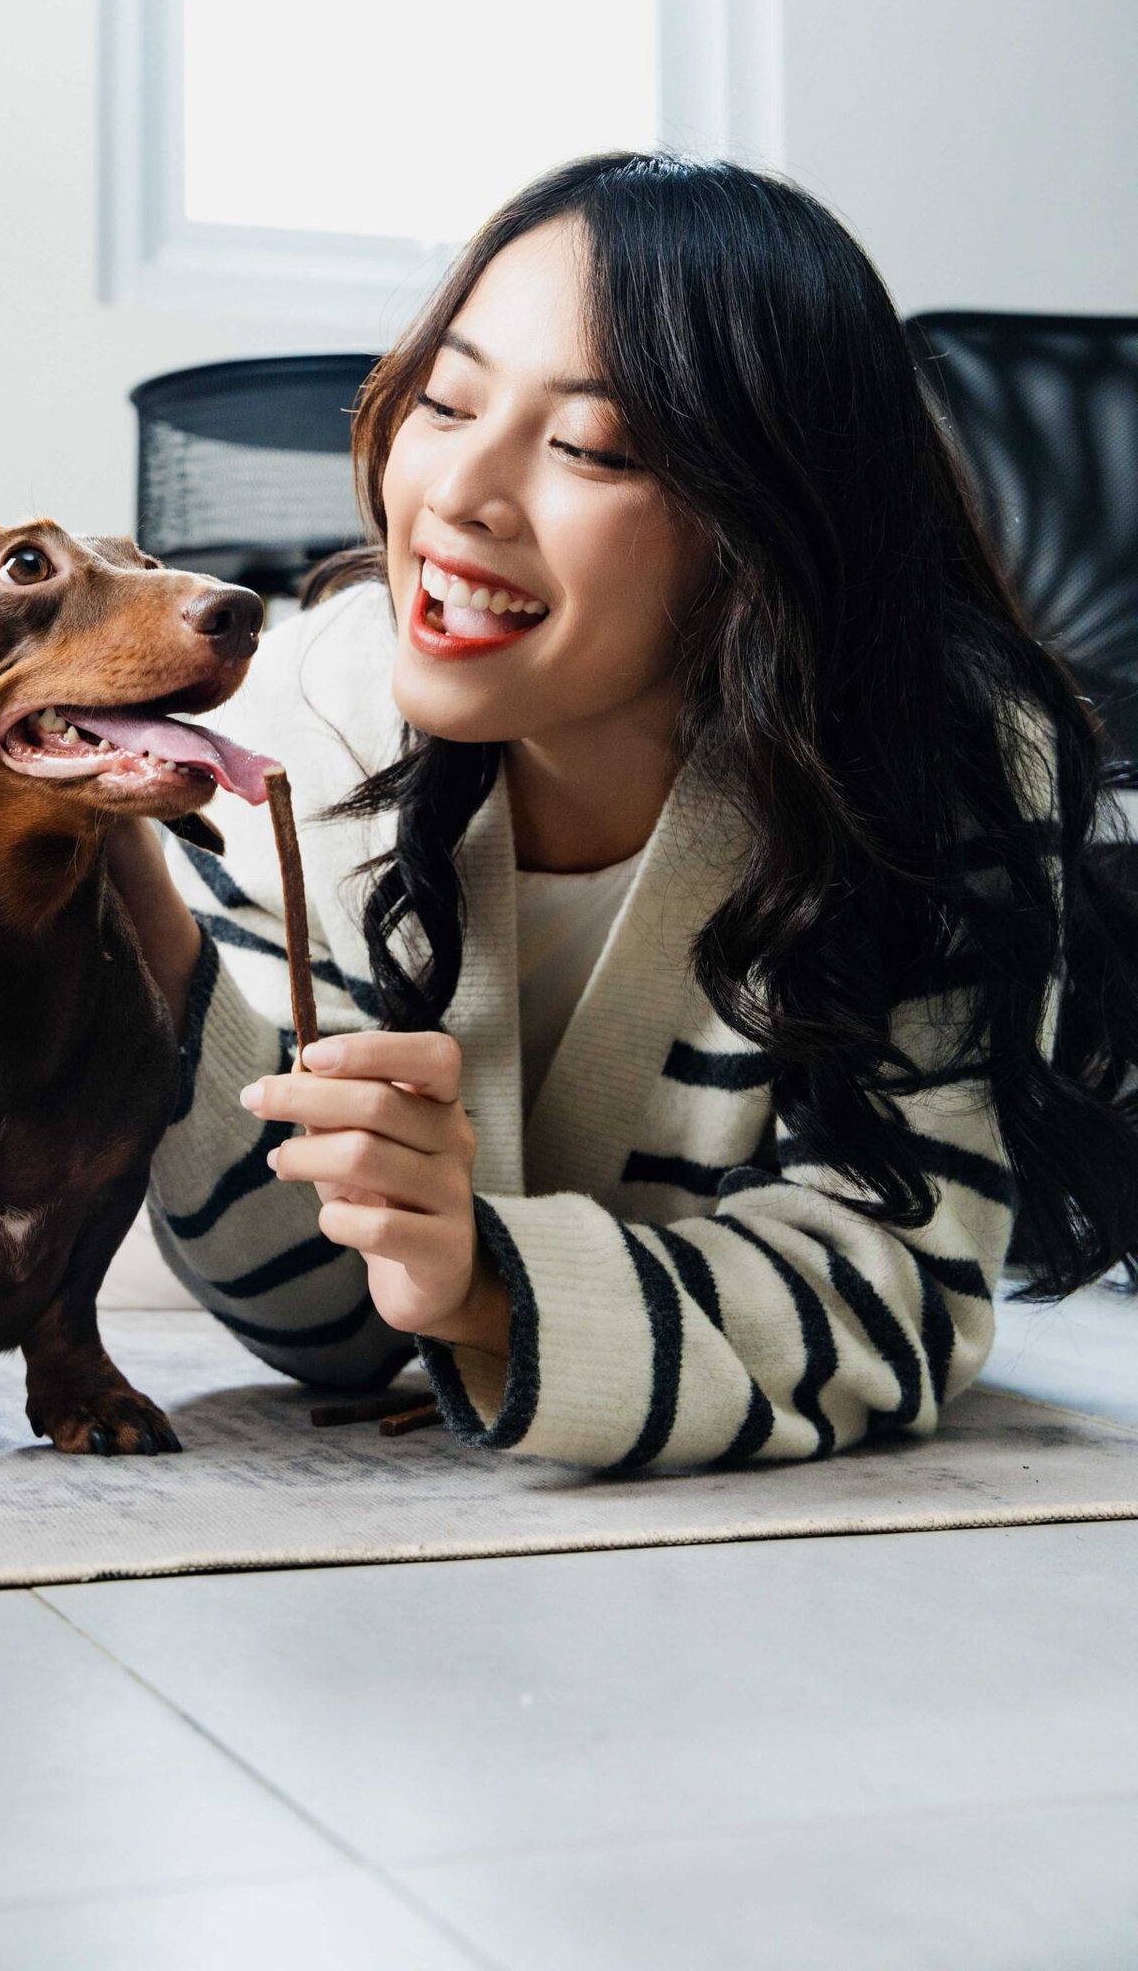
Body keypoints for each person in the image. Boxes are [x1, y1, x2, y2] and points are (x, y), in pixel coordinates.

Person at [109, 153, 1138, 1470]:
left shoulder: (950, 764)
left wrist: (486, 1276)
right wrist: (133, 896)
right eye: (444, 401)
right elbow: (323, 1320)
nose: (458, 498)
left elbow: (891, 1293)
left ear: (769, 529)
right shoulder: (302, 718)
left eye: (589, 448)